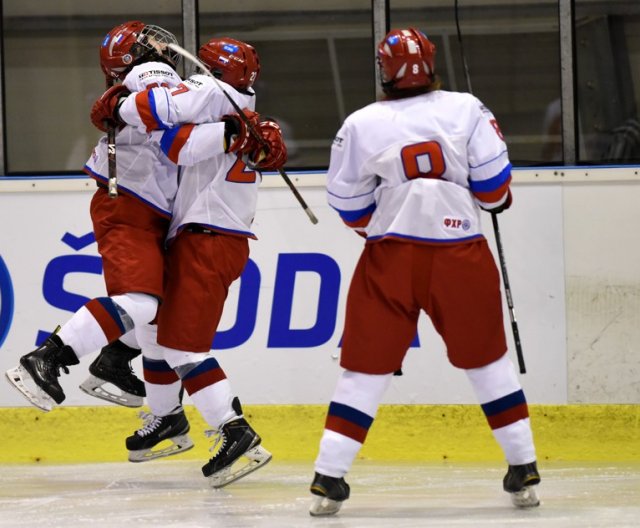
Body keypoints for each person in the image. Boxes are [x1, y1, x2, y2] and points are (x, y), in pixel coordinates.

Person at [309, 27, 540, 516]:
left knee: (364, 367)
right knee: (486, 360)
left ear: (383, 70)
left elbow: (348, 206)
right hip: (460, 250)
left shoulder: (361, 123)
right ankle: (523, 465)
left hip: (391, 255)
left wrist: (393, 220)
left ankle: (329, 476)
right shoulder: (467, 108)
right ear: (432, 63)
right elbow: (496, 190)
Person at [100, 37, 286, 486]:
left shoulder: (208, 95)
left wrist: (115, 100)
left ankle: (233, 429)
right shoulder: (247, 109)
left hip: (208, 239)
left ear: (215, 74)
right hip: (209, 237)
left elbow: (173, 144)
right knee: (158, 331)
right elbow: (264, 150)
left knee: (182, 346)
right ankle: (166, 418)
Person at [5, 21, 184, 416]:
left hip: (143, 204)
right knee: (138, 302)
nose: (165, 49)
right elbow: (171, 107)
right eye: (153, 43)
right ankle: (45, 359)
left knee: (161, 306)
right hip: (131, 204)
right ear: (136, 54)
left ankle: (114, 362)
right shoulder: (152, 72)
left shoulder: (134, 76)